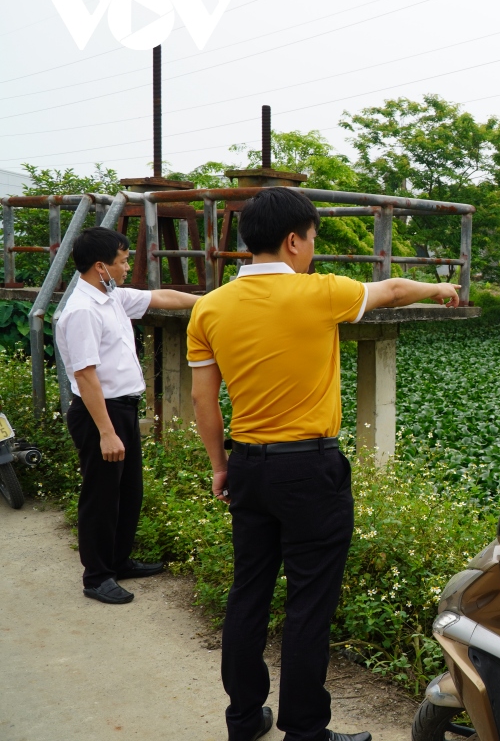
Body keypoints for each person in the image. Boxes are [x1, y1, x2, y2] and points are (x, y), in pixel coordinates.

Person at [188, 188, 460, 741]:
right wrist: (438, 285)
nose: (312, 250)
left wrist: (221, 465)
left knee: (249, 592)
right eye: (312, 239)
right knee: (309, 602)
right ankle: (305, 730)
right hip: (309, 471)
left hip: (248, 467)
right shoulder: (320, 293)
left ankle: (243, 719)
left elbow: (202, 401)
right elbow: (392, 289)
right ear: (293, 240)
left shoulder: (209, 307)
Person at [56, 226, 202, 604]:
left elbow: (160, 297)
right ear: (101, 267)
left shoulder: (112, 298)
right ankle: (97, 577)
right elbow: (86, 376)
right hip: (99, 414)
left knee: (127, 492)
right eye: (122, 262)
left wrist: (210, 301)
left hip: (122, 409)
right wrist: (106, 431)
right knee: (101, 497)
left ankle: (119, 560)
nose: (125, 269)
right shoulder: (82, 311)